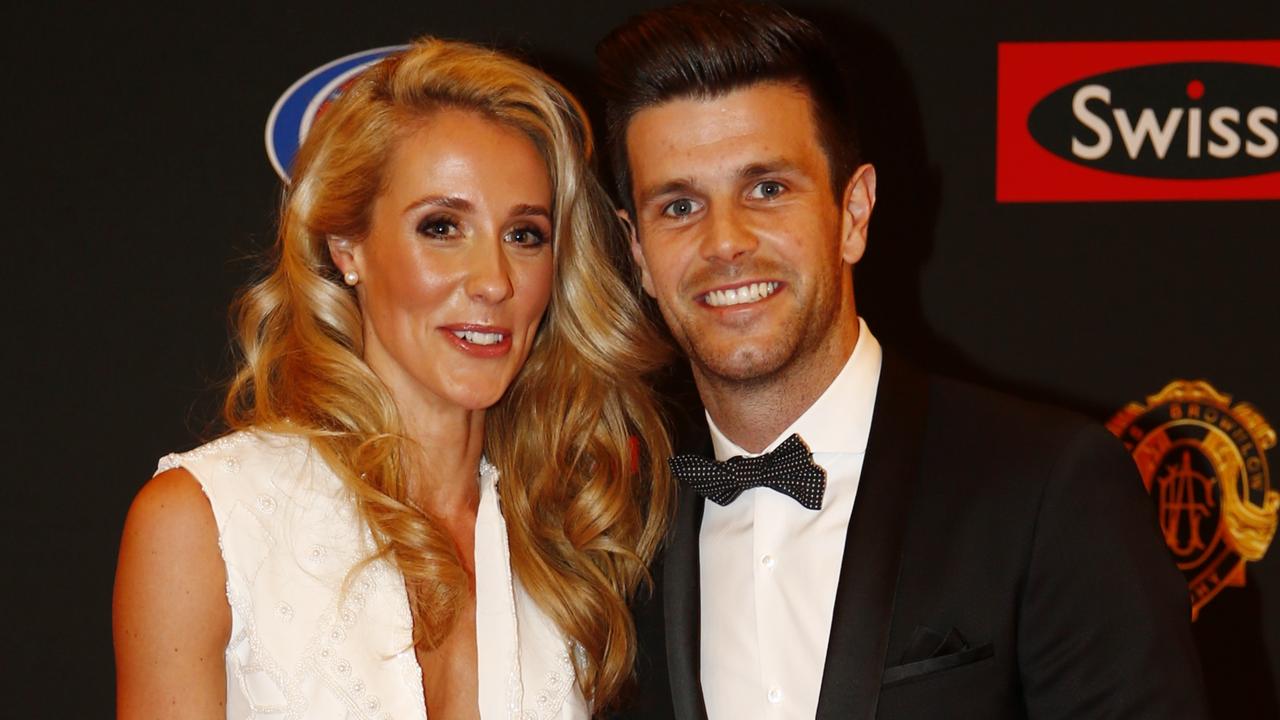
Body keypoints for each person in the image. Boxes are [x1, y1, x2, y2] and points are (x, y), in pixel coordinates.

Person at [596, 3, 1209, 718]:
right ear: (636, 251)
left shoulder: (1048, 489)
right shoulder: (611, 528)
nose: (725, 241)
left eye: (767, 189)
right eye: (678, 207)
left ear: (853, 212)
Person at [113, 38, 673, 719]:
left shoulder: (565, 542)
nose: (494, 282)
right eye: (442, 226)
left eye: (525, 235)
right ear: (346, 245)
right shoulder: (203, 523)